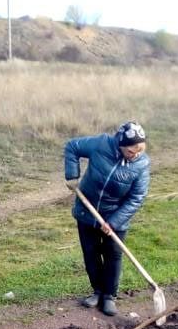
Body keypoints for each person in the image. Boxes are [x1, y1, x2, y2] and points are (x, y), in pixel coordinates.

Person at [64, 121, 151, 316]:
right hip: (88, 210)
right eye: (131, 151)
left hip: (116, 216)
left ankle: (109, 296)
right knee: (91, 252)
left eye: (140, 150)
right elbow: (72, 147)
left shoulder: (142, 164)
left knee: (113, 254)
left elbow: (137, 197)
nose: (135, 155)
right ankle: (97, 291)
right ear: (120, 143)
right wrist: (72, 175)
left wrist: (114, 222)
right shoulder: (101, 144)